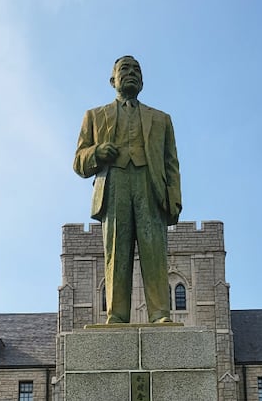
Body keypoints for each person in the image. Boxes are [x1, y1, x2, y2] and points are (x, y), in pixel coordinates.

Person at [73, 55, 182, 323]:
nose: (131, 73)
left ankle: (160, 313)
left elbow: (171, 163)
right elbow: (78, 162)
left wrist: (174, 199)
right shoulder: (94, 116)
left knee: (154, 251)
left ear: (142, 82)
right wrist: (97, 152)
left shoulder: (161, 119)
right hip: (114, 185)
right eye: (125, 68)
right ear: (113, 80)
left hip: (150, 186)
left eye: (136, 70)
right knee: (116, 252)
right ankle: (117, 314)